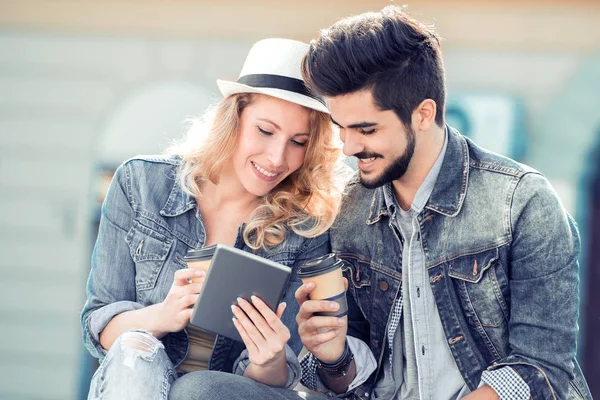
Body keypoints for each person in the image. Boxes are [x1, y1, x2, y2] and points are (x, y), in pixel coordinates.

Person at [295, 5, 593, 400]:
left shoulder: (521, 203)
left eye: (366, 129)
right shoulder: (346, 211)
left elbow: (541, 368)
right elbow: (349, 377)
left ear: (423, 114)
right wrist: (333, 357)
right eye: (341, 129)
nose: (349, 147)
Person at [80, 38, 348, 399]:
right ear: (234, 117)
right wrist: (162, 316)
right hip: (137, 378)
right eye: (265, 131)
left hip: (235, 391)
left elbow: (276, 380)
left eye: (298, 142)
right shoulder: (139, 183)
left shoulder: (304, 228)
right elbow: (98, 327)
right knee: (134, 351)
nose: (276, 157)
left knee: (196, 390)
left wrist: (267, 358)